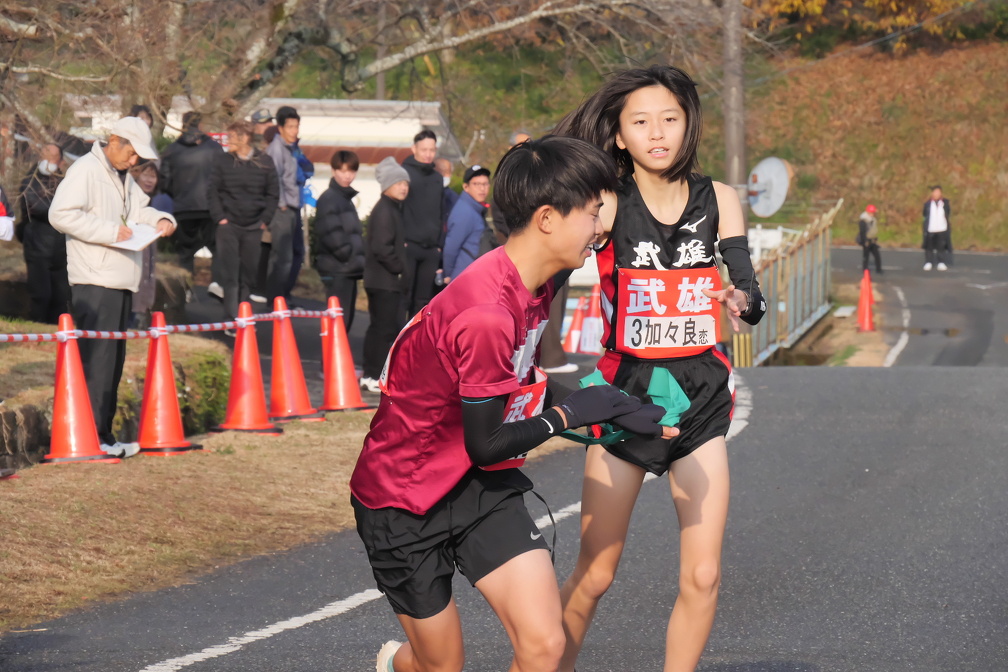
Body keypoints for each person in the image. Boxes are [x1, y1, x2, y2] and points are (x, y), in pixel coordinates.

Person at [350, 136, 674, 672]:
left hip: (479, 486)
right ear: (547, 218)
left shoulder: (535, 281)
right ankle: (396, 665)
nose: (600, 228)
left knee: (545, 645)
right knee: (440, 666)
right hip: (404, 500)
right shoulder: (487, 314)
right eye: (592, 213)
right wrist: (574, 413)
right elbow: (487, 442)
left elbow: (516, 392)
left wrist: (614, 408)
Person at [553, 65, 768, 672]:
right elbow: (550, 267)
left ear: (688, 123)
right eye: (641, 122)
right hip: (625, 399)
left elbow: (751, 298)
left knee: (703, 574)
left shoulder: (719, 199)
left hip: (701, 398)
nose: (657, 133)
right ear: (619, 135)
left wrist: (740, 301)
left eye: (669, 119)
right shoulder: (606, 204)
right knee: (596, 574)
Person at [49, 117, 177, 458]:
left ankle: (104, 434)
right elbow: (60, 214)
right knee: (98, 362)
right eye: (132, 154)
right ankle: (92, 436)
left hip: (120, 278)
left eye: (139, 157)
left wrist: (162, 219)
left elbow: (140, 210)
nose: (134, 162)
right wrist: (108, 231)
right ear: (115, 140)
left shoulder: (122, 176)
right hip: (94, 278)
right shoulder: (86, 170)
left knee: (113, 361)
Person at [206, 120, 279, 326]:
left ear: (245, 137)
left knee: (248, 274)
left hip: (254, 226)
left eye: (232, 137)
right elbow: (212, 191)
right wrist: (220, 218)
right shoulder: (222, 161)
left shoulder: (265, 161)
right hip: (228, 225)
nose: (228, 141)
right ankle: (231, 319)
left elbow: (273, 193)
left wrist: (264, 220)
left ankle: (244, 316)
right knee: (230, 274)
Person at [360, 157, 409, 394]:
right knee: (382, 330)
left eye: (405, 183)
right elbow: (382, 247)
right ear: (387, 185)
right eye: (398, 183)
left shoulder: (392, 208)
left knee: (384, 328)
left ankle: (374, 373)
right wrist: (399, 268)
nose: (403, 187)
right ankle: (371, 374)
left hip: (385, 281)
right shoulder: (384, 210)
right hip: (383, 281)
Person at [159, 111, 223, 278]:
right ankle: (217, 284)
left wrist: (176, 194)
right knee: (216, 249)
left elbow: (164, 180)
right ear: (201, 125)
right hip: (211, 207)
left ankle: (186, 286)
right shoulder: (214, 148)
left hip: (183, 206)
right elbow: (224, 176)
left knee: (185, 251)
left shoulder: (172, 150)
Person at [17, 143, 71, 323]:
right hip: (37, 245)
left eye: (53, 157)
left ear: (61, 161)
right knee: (40, 294)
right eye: (45, 156)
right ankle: (37, 324)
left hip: (61, 248)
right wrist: (60, 212)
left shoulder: (65, 182)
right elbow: (33, 206)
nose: (48, 161)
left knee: (61, 296)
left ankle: (56, 327)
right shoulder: (30, 181)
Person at [314, 150, 365, 332]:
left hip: (347, 269)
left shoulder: (345, 199)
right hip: (337, 269)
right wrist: (348, 255)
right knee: (338, 324)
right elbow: (331, 233)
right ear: (333, 171)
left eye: (351, 171)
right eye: (342, 171)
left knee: (344, 323)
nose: (347, 176)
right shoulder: (329, 199)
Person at [400, 129, 443, 316]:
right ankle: (399, 334)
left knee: (424, 302)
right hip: (409, 245)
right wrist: (401, 240)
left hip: (431, 249)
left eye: (432, 150)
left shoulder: (437, 178)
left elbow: (441, 212)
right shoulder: (404, 174)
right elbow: (397, 209)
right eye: (424, 149)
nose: (428, 154)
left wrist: (439, 245)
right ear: (414, 149)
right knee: (404, 297)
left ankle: (417, 335)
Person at [128, 160, 172, 328]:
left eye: (153, 176)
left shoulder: (157, 202)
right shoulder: (130, 200)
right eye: (146, 175)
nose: (149, 180)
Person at [264, 105, 301, 302]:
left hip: (293, 206)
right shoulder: (276, 149)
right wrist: (281, 204)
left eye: (296, 126)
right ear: (280, 128)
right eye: (290, 127)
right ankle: (275, 299)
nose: (294, 131)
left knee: (295, 254)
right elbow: (273, 178)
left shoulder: (291, 149)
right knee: (282, 257)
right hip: (282, 209)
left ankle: (283, 295)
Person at [441, 164, 491, 283]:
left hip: (473, 275)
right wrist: (448, 274)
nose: (482, 188)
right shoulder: (464, 212)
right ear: (466, 187)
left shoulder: (475, 208)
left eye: (485, 184)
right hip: (463, 277)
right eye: (476, 184)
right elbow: (451, 247)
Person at [922, 185, 952, 271]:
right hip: (931, 228)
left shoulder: (945, 203)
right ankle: (928, 262)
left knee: (941, 247)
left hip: (942, 228)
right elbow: (925, 214)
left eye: (938, 192)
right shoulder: (927, 204)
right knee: (929, 247)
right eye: (935, 192)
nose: (936, 194)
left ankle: (941, 262)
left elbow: (948, 213)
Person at [857, 203, 882, 275]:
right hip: (866, 240)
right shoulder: (863, 221)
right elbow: (862, 232)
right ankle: (865, 270)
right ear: (869, 212)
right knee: (866, 256)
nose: (874, 214)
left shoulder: (872, 219)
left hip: (872, 240)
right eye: (872, 212)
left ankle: (878, 270)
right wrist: (865, 241)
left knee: (877, 255)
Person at [435, 157, 459, 225]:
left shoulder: (453, 198)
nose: (444, 175)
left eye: (446, 172)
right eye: (440, 171)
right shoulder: (454, 198)